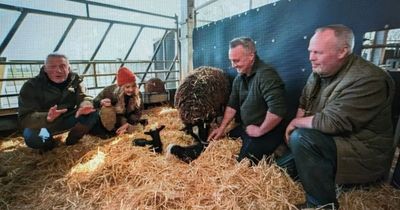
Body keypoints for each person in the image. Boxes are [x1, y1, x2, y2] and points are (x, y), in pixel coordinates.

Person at [280, 24, 395, 209]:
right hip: (333, 141)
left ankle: (322, 205)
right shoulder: (321, 71)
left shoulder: (369, 79)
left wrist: (294, 123)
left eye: (318, 52)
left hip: (361, 149)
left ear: (342, 51)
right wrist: (295, 126)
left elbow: (332, 122)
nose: (311, 57)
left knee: (302, 138)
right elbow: (304, 102)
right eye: (310, 51)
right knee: (280, 170)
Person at [208, 37, 286, 164]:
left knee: (242, 165)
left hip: (268, 130)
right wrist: (222, 128)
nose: (233, 65)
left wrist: (260, 130)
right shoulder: (240, 78)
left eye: (236, 60)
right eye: (231, 61)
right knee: (217, 142)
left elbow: (278, 110)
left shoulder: (266, 75)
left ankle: (277, 150)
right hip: (247, 128)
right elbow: (232, 105)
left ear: (251, 56)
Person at [18, 52, 100, 152]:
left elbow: (84, 97)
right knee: (33, 137)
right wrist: (47, 117)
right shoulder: (31, 86)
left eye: (63, 66)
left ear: (68, 68)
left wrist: (85, 105)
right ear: (45, 68)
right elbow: (25, 118)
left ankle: (71, 141)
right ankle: (49, 144)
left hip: (67, 117)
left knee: (92, 113)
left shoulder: (76, 80)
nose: (58, 70)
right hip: (44, 125)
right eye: (52, 66)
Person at [93, 67, 143, 136]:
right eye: (127, 87)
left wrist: (128, 124)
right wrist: (101, 102)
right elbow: (94, 101)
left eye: (133, 86)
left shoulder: (137, 94)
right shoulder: (109, 91)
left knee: (137, 128)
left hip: (126, 118)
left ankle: (121, 130)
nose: (131, 89)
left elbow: (138, 113)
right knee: (107, 110)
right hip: (112, 118)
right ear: (121, 86)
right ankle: (110, 132)